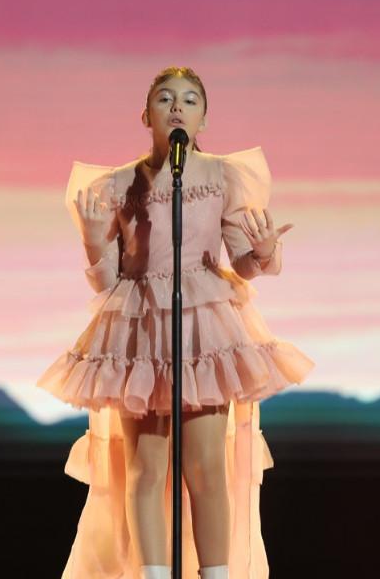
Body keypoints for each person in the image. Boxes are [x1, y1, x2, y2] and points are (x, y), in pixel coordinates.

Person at [37, 66, 315, 579]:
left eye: (190, 100)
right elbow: (107, 280)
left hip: (202, 328)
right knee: (145, 468)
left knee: (206, 468)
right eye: (165, 99)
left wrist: (262, 251)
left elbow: (242, 264)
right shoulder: (119, 184)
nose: (177, 107)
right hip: (140, 330)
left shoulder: (221, 177)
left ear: (203, 118)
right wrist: (94, 240)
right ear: (146, 116)